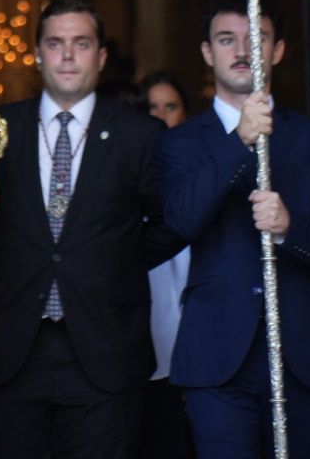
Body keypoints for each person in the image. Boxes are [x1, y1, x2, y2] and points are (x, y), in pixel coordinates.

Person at [0, 0, 183, 458]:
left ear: (101, 56)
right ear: (37, 54)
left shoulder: (139, 134)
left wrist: (116, 263)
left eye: (81, 44)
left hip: (106, 345)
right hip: (17, 348)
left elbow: (170, 222)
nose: (67, 55)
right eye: (55, 44)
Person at [156, 0, 310, 459]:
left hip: (304, 352)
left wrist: (290, 227)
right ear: (207, 52)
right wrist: (239, 141)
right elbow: (181, 221)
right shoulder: (180, 144)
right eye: (226, 39)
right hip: (217, 355)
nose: (242, 51)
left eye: (257, 38)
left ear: (278, 50)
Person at [138, 70, 195, 459]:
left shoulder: (201, 171)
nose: (160, 116)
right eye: (151, 107)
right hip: (147, 332)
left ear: (185, 113)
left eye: (170, 107)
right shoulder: (130, 171)